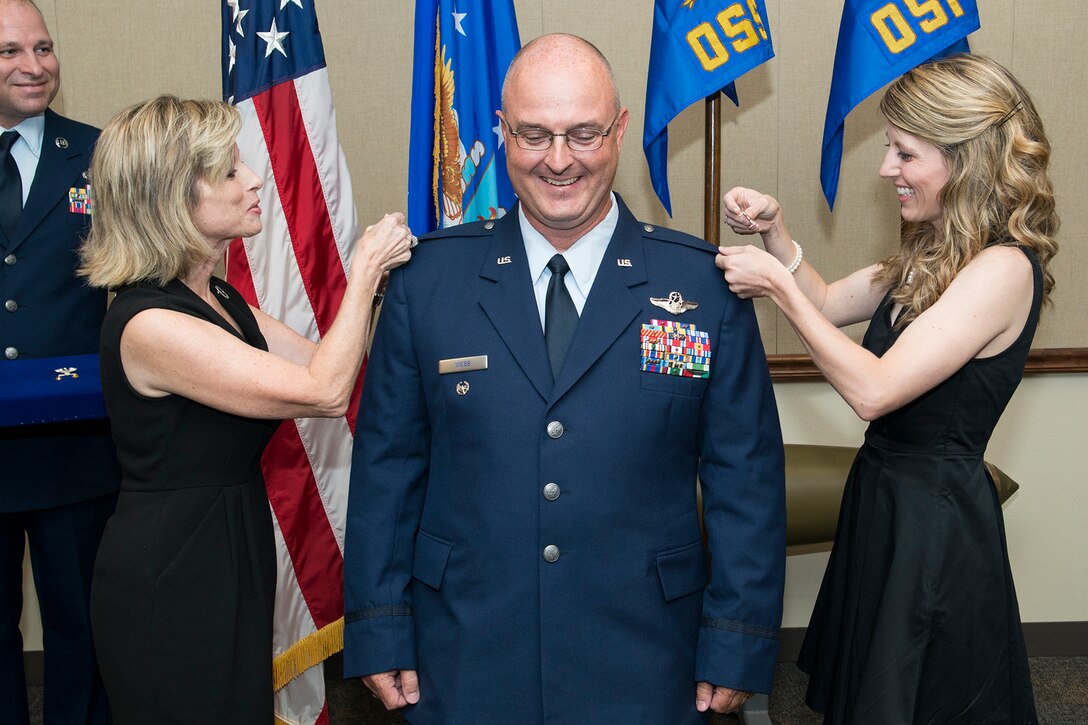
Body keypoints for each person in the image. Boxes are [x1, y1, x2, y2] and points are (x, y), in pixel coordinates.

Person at [343, 33, 786, 722]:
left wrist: (737, 640)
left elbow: (745, 479)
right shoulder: (426, 283)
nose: (558, 160)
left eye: (582, 133)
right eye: (533, 134)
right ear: (499, 131)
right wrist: (377, 624)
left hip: (646, 653)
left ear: (620, 129)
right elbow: (386, 470)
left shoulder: (702, 285)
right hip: (464, 647)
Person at [717, 54, 1056, 724]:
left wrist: (777, 289)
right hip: (884, 498)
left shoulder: (1003, 268)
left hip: (935, 521)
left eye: (905, 153)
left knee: (912, 698)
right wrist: (775, 230)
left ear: (966, 157)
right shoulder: (932, 253)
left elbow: (874, 391)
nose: (886, 170)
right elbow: (826, 297)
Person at [77, 95, 413, 724]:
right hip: (172, 570)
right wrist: (364, 270)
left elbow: (328, 358)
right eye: (230, 171)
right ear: (172, 200)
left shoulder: (219, 297)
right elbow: (323, 391)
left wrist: (402, 293)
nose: (254, 179)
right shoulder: (149, 321)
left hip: (232, 544)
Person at [0, 2, 119, 722]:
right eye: (11, 51)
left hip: (73, 445)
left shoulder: (98, 155)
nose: (35, 65)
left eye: (43, 48)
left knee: (82, 627)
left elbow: (141, 274)